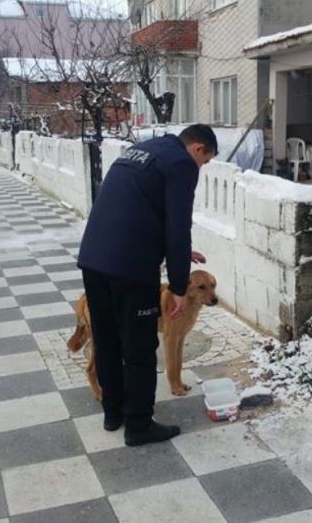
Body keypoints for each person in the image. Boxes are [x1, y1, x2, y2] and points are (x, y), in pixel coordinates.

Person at [77, 124, 218, 446]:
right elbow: (178, 227)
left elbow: (137, 210)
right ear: (197, 149)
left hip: (94, 259)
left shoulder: (144, 151)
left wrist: (175, 252)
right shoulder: (182, 164)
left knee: (109, 339)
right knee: (140, 348)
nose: (201, 167)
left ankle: (113, 414)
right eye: (205, 161)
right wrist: (180, 288)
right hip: (131, 268)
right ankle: (139, 425)